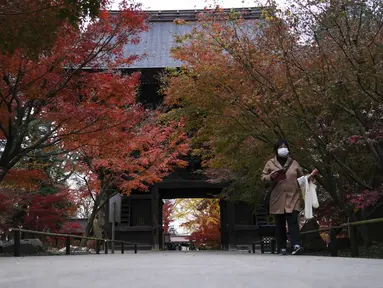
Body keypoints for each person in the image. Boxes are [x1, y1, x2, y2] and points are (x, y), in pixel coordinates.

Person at [261, 139, 318, 255]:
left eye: (285, 146)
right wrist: (270, 177)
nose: (283, 148)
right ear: (276, 150)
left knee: (293, 221)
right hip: (277, 197)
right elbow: (263, 178)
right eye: (280, 147)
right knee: (280, 223)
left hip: (293, 196)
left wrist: (310, 176)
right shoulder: (270, 163)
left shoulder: (294, 163)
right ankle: (281, 246)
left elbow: (301, 180)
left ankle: (296, 245)